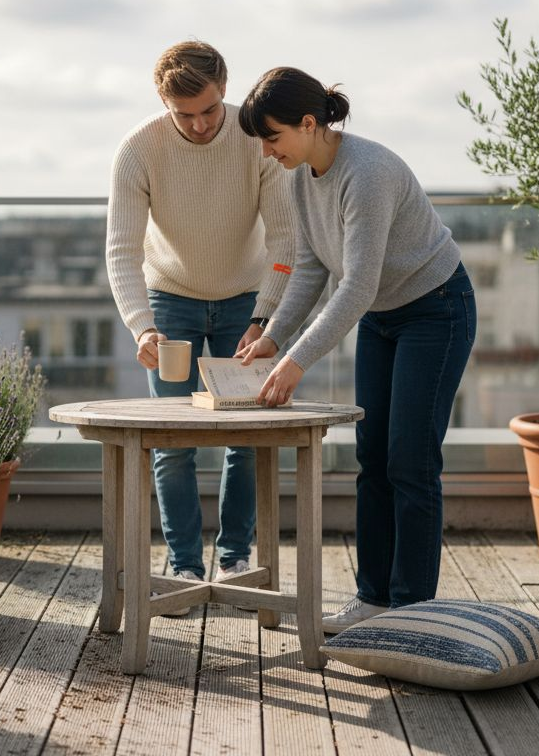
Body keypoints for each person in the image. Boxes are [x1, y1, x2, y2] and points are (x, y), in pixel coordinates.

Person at [234, 67, 476, 633]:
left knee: (410, 460)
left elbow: (358, 283)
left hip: (435, 309)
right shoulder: (301, 176)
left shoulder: (365, 173)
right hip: (381, 317)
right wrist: (273, 336)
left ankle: (411, 610)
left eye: (272, 137)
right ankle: (373, 600)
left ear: (309, 123)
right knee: (374, 461)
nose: (267, 152)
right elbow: (314, 265)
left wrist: (296, 361)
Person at [105, 41, 295, 608]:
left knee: (246, 437)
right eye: (183, 114)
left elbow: (286, 240)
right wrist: (141, 326)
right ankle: (183, 565)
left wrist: (266, 317)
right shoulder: (137, 150)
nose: (199, 124)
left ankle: (236, 558)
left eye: (210, 110)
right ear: (163, 102)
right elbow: (121, 250)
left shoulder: (255, 139)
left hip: (246, 300)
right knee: (173, 440)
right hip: (171, 303)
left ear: (225, 92)